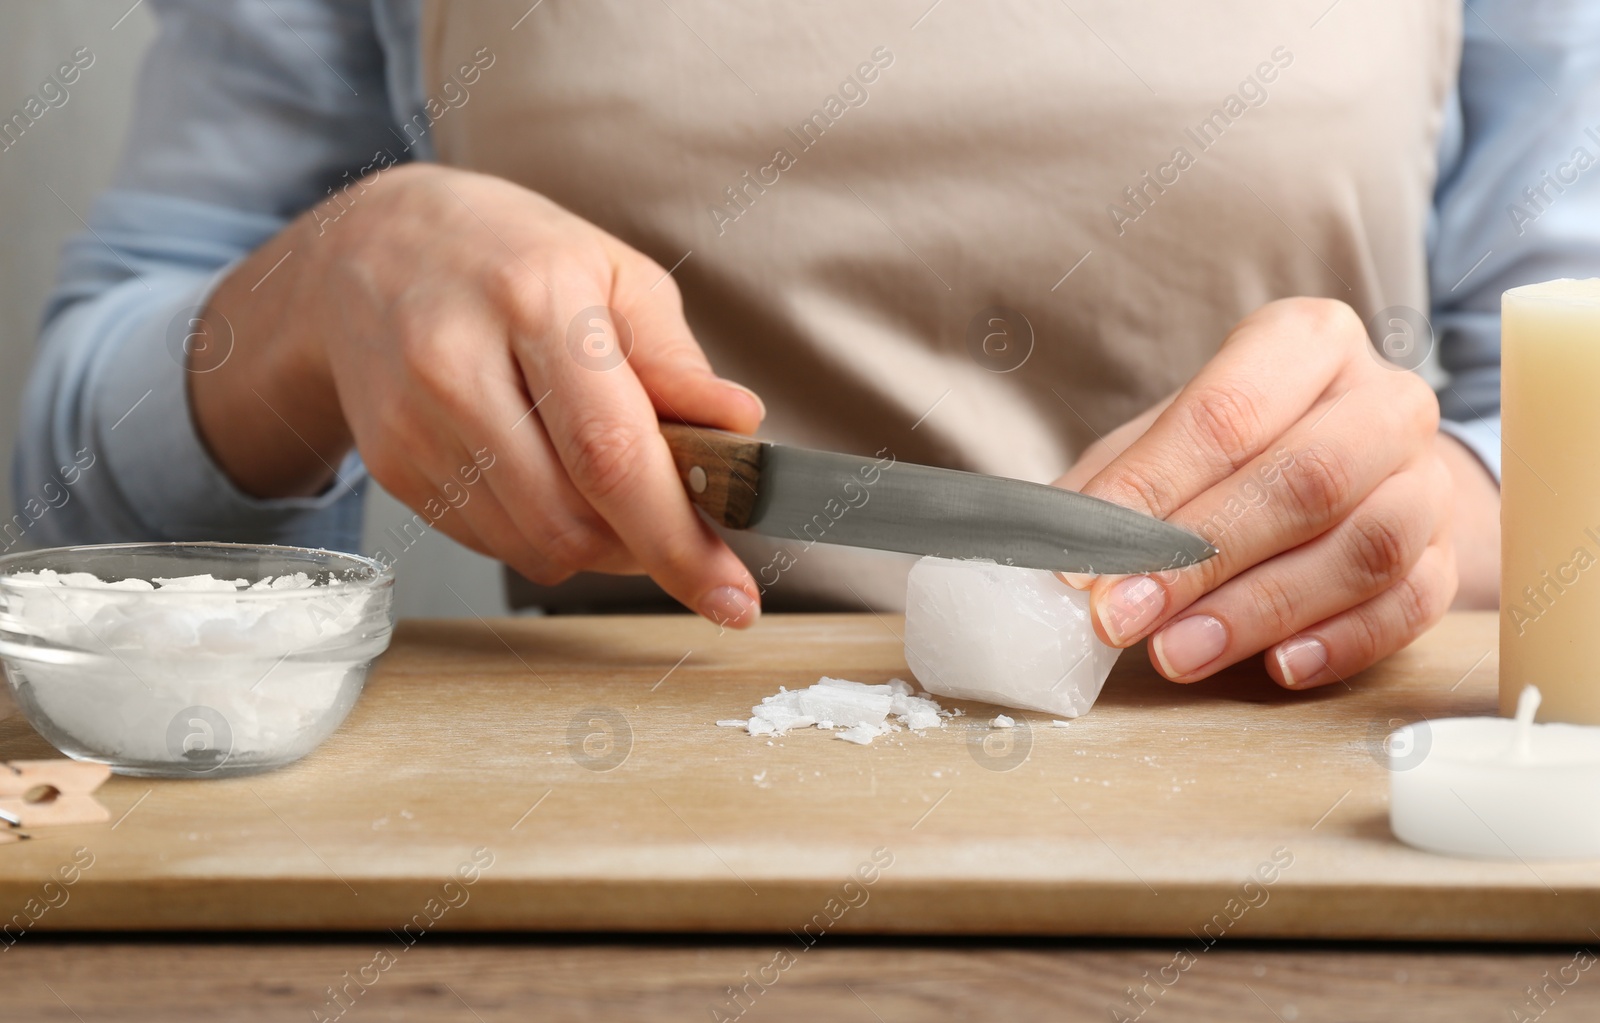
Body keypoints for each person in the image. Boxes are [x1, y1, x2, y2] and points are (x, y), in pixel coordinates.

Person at [16, 0, 1585, 689]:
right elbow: (72, 502)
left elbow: (1560, 403)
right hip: (621, 848)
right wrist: (315, 296)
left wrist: (1441, 503)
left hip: (1298, 841)